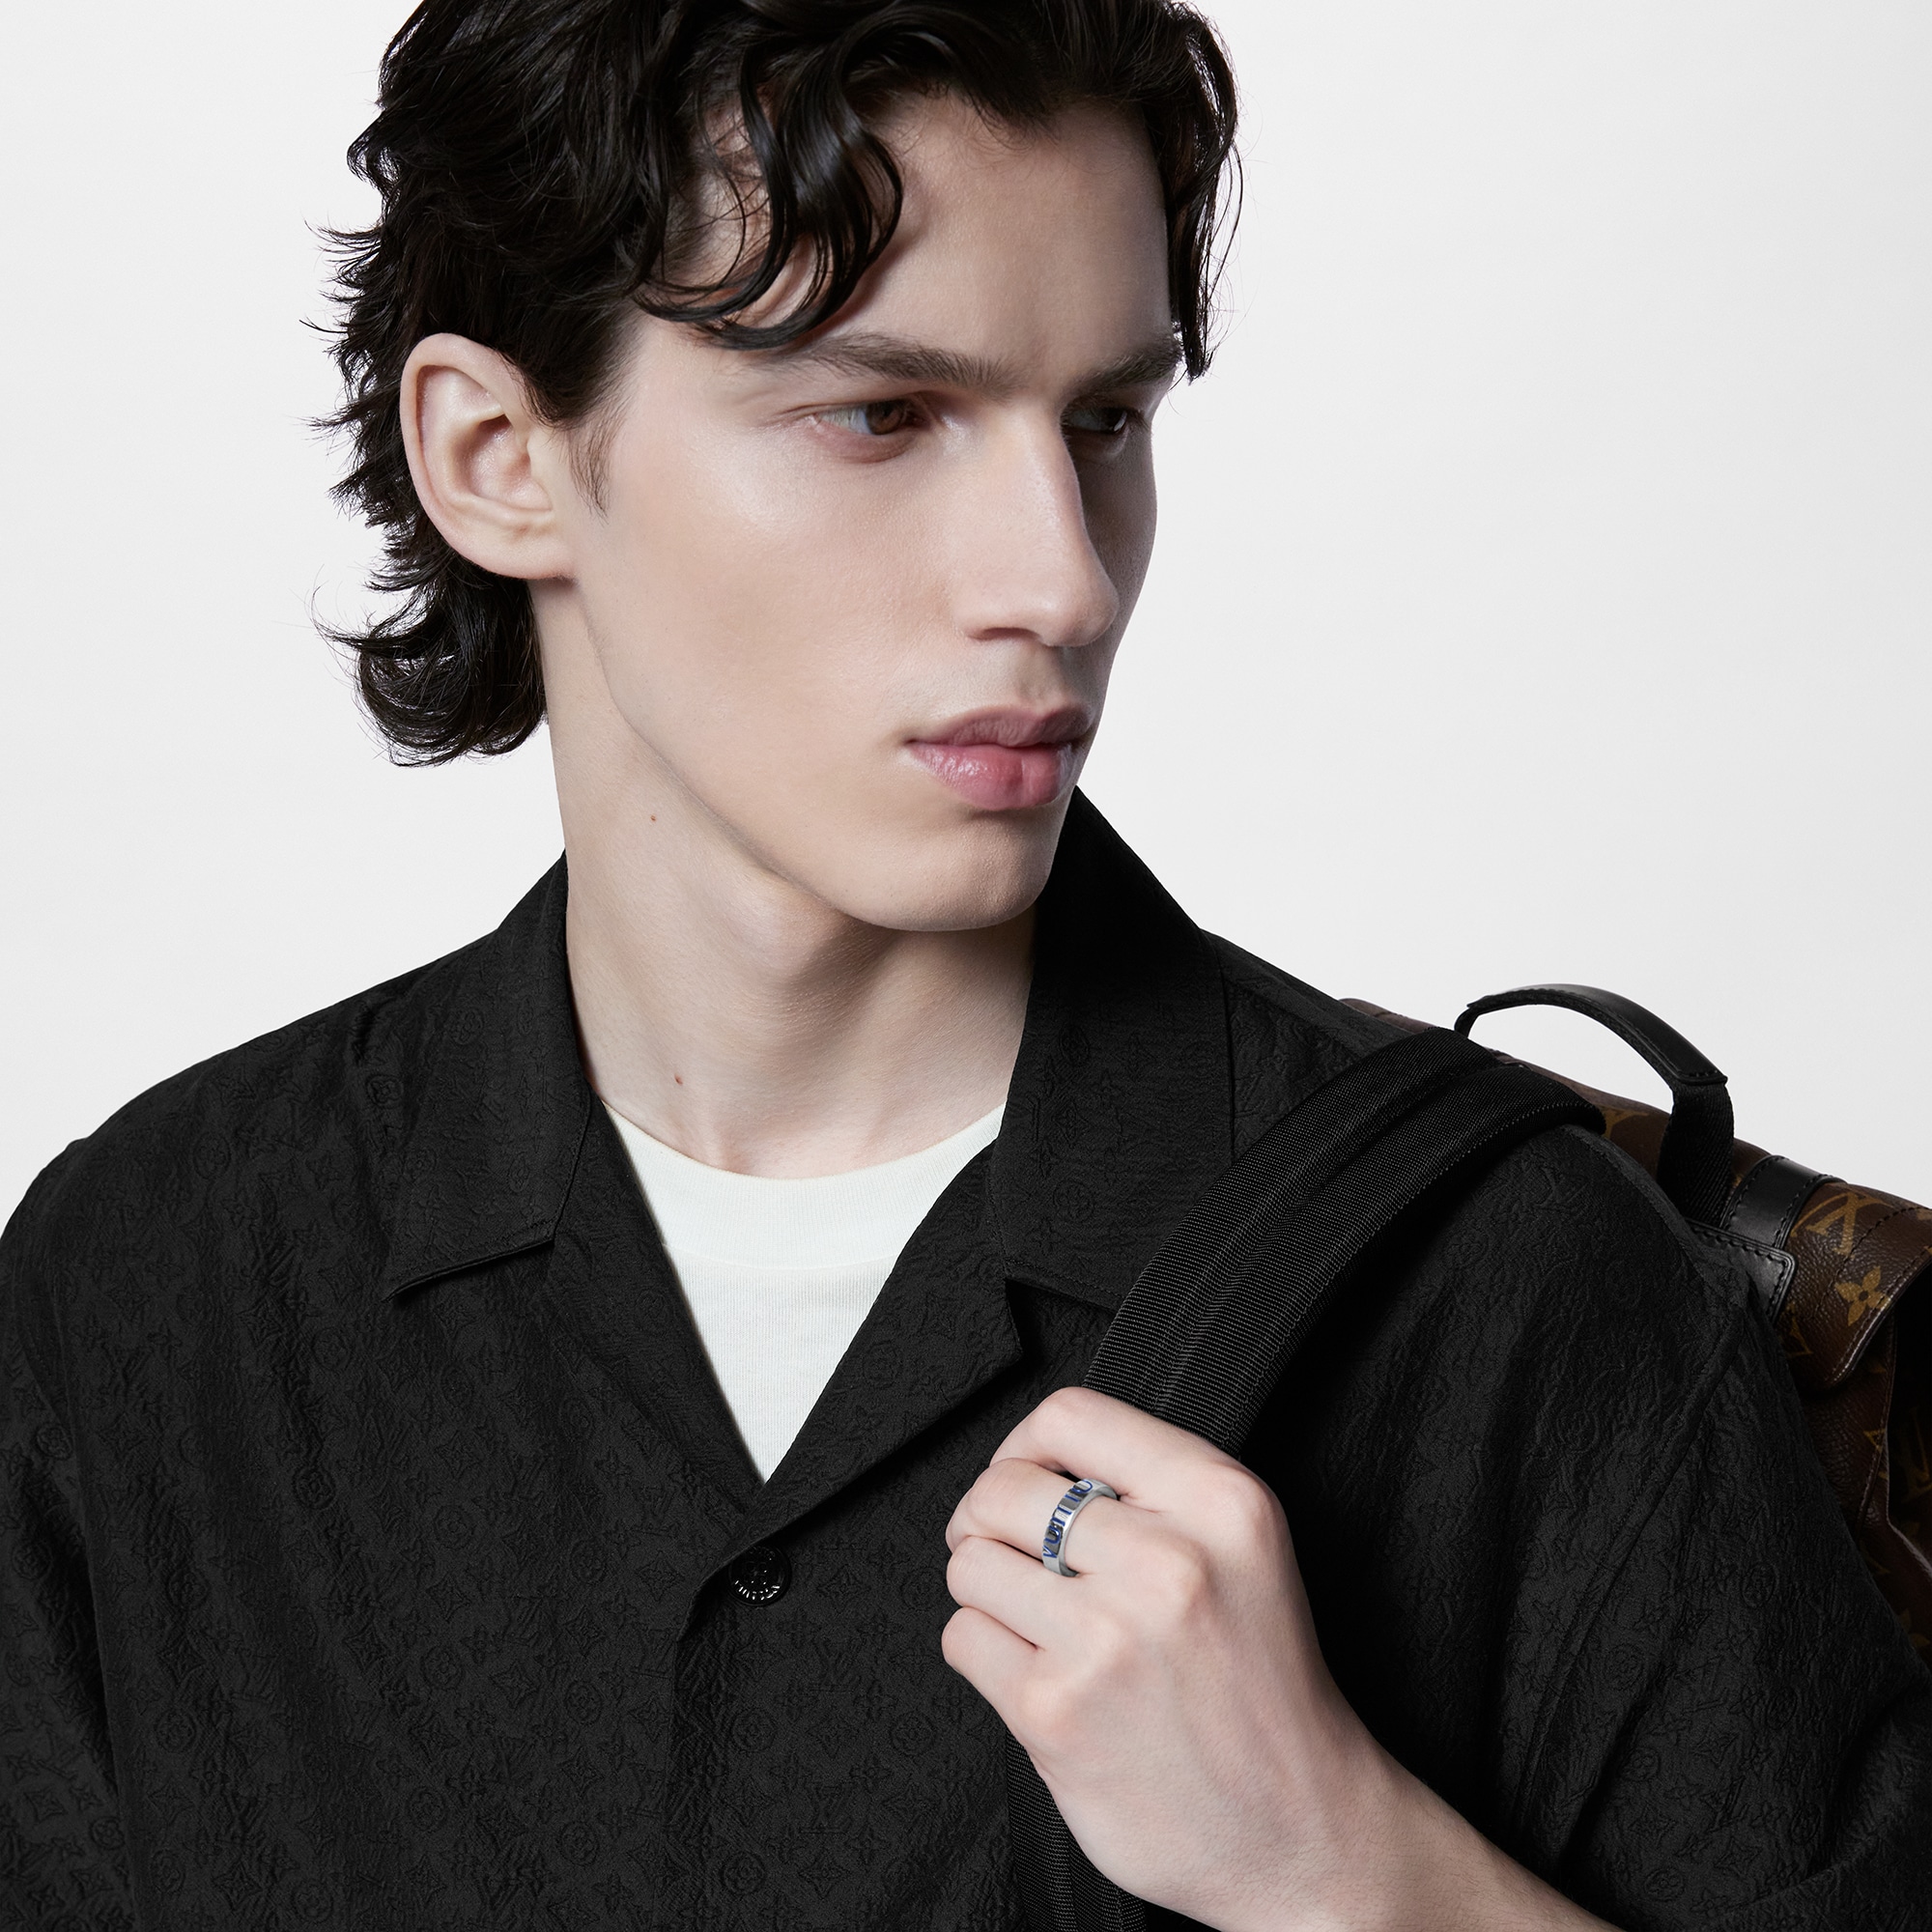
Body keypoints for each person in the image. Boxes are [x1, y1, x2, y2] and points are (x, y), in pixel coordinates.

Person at [2, 2, 1926, 1927]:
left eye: (1104, 423)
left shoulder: (1509, 1287)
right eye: (884, 416)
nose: (1063, 581)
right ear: (498, 455)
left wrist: (1345, 1866)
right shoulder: (149, 1286)